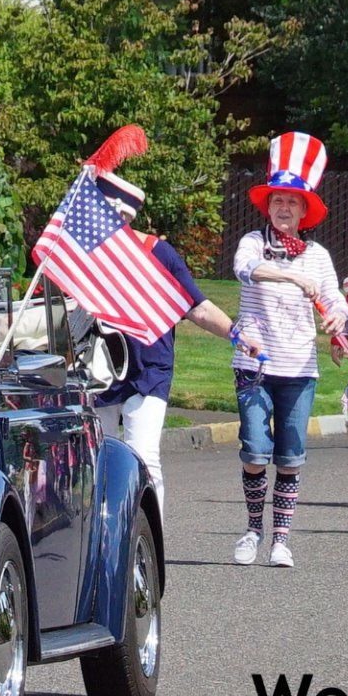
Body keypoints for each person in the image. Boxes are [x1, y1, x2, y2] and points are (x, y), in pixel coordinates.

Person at [85, 164, 253, 517]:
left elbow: (198, 308)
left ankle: (148, 540)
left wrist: (236, 334)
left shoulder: (157, 253)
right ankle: (105, 542)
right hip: (98, 367)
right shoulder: (81, 255)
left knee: (143, 458)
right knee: (98, 461)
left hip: (148, 367)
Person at [231, 133, 348, 568]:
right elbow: (245, 270)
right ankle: (252, 531)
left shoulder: (317, 255)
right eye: (278, 200)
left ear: (305, 211)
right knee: (254, 451)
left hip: (300, 367)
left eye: (293, 202)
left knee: (289, 456)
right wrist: (289, 278)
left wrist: (340, 319)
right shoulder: (252, 241)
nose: (284, 208)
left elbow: (334, 297)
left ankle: (281, 538)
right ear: (268, 206)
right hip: (255, 363)